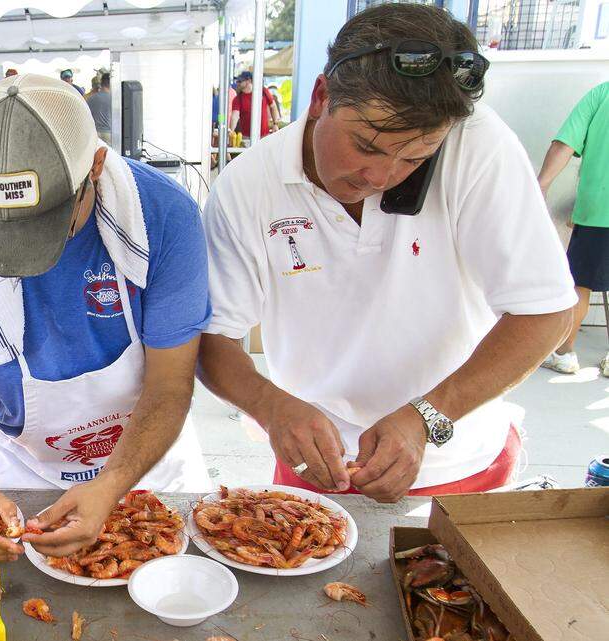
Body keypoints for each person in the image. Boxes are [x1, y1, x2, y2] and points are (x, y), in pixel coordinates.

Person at [198, 4, 575, 503]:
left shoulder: (479, 145)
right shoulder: (247, 187)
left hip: (461, 459)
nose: (382, 177)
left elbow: (545, 312)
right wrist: (271, 406)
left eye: (415, 158)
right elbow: (214, 338)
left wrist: (427, 416)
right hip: (315, 465)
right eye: (367, 145)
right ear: (320, 97)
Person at [0, 74, 212, 563]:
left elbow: (170, 385)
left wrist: (113, 484)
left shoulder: (164, 216)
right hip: (25, 468)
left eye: (44, 225)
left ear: (96, 166)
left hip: (146, 462)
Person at [538, 82, 609, 376]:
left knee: (580, 285)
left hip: (598, 208)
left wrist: (541, 186)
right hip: (595, 209)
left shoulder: (602, 94)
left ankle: (565, 353)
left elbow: (565, 143)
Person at [229, 71, 279, 139]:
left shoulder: (263, 91)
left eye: (240, 81)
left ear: (248, 81)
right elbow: (235, 116)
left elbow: (273, 106)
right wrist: (231, 131)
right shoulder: (238, 99)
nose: (237, 83)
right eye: (237, 81)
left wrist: (275, 124)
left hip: (264, 136)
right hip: (246, 137)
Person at [86, 72, 112, 145]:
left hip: (94, 134)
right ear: (110, 84)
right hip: (108, 133)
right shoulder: (113, 100)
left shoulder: (90, 98)